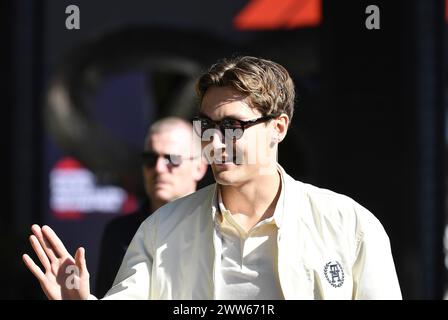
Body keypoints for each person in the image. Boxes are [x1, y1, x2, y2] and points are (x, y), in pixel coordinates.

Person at [22, 56, 402, 299]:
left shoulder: (350, 225)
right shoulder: (159, 231)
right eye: (207, 125)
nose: (216, 142)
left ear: (279, 128)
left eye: (233, 125)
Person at [95, 117, 208, 297]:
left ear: (200, 167)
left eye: (172, 158)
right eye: (150, 158)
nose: (159, 168)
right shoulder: (119, 233)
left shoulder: (219, 229)